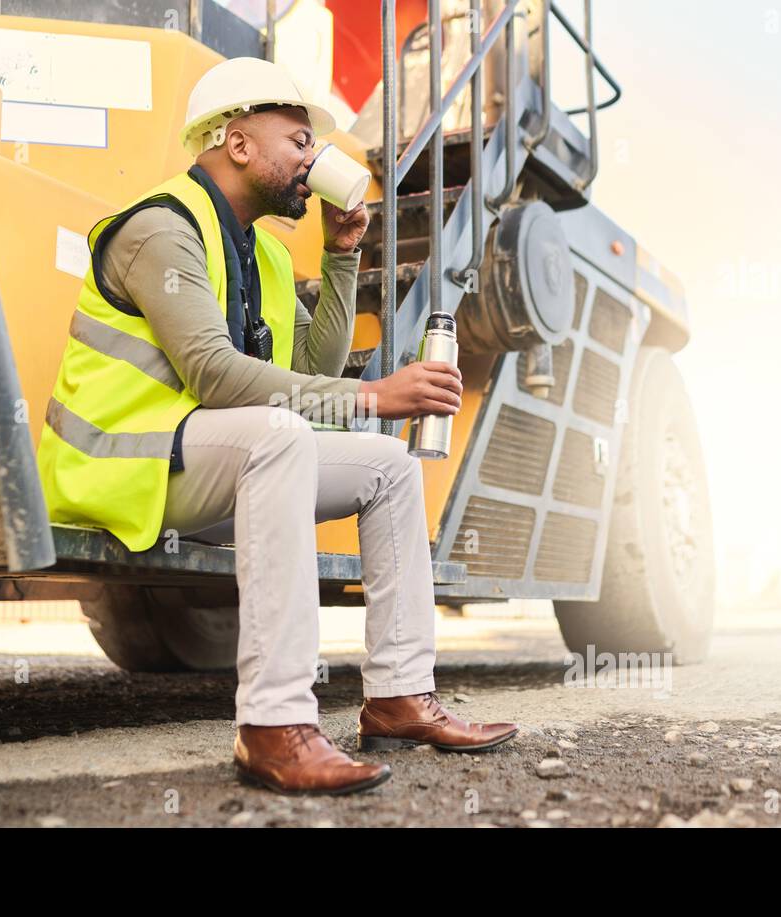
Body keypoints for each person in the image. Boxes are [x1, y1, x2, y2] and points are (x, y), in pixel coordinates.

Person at [37, 57, 518, 796]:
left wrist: (339, 257)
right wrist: (375, 398)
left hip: (201, 460)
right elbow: (219, 377)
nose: (312, 162)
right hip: (119, 465)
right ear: (237, 143)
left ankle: (398, 695)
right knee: (284, 433)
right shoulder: (160, 229)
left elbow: (311, 366)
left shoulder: (260, 248)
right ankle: (273, 723)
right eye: (299, 141)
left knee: (385, 466)